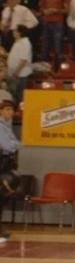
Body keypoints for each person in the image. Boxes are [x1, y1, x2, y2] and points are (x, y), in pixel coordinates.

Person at [0, 99, 20, 243]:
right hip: (1, 163)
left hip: (7, 164)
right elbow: (8, 146)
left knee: (3, 197)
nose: (10, 112)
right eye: (7, 109)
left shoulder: (7, 126)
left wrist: (15, 144)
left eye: (12, 110)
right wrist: (15, 144)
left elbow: (17, 144)